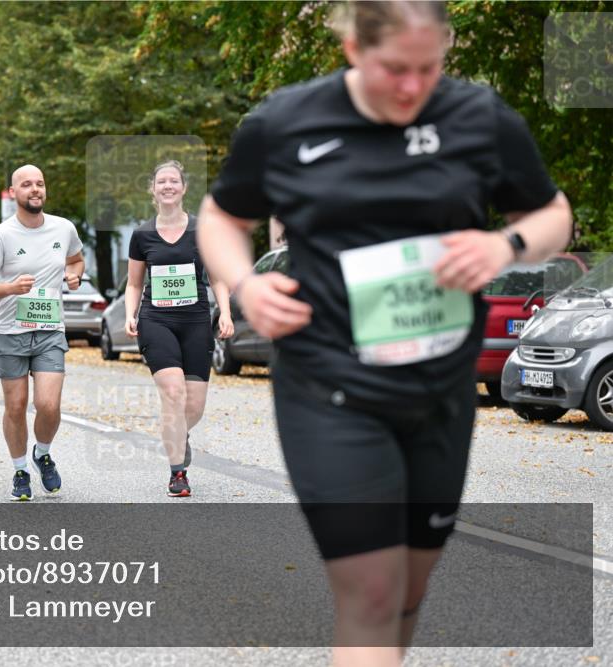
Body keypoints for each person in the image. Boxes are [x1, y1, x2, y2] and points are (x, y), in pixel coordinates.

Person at [197, 2, 573, 664]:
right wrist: (248, 284)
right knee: (371, 591)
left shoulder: (478, 118)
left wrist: (504, 245)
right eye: (394, 69)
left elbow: (550, 212)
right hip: (327, 387)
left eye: (429, 68)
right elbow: (222, 217)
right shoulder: (286, 124)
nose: (412, 87)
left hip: (440, 391)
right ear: (352, 50)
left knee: (408, 585)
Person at [0, 164, 84, 501]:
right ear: (14, 192)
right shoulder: (1, 235)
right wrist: (8, 288)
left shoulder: (63, 229)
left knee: (49, 405)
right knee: (16, 407)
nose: (34, 189)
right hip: (11, 332)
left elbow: (77, 260)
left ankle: (42, 454)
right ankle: (20, 469)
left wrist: (74, 274)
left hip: (50, 330)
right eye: (26, 184)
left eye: (39, 184)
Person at [124, 160, 233, 497]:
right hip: (156, 320)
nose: (168, 186)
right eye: (162, 181)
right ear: (153, 190)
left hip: (196, 320)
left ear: (184, 188)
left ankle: (179, 434)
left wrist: (225, 313)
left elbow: (216, 276)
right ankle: (178, 473)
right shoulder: (142, 234)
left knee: (193, 406)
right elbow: (133, 283)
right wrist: (131, 314)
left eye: (174, 181)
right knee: (173, 392)